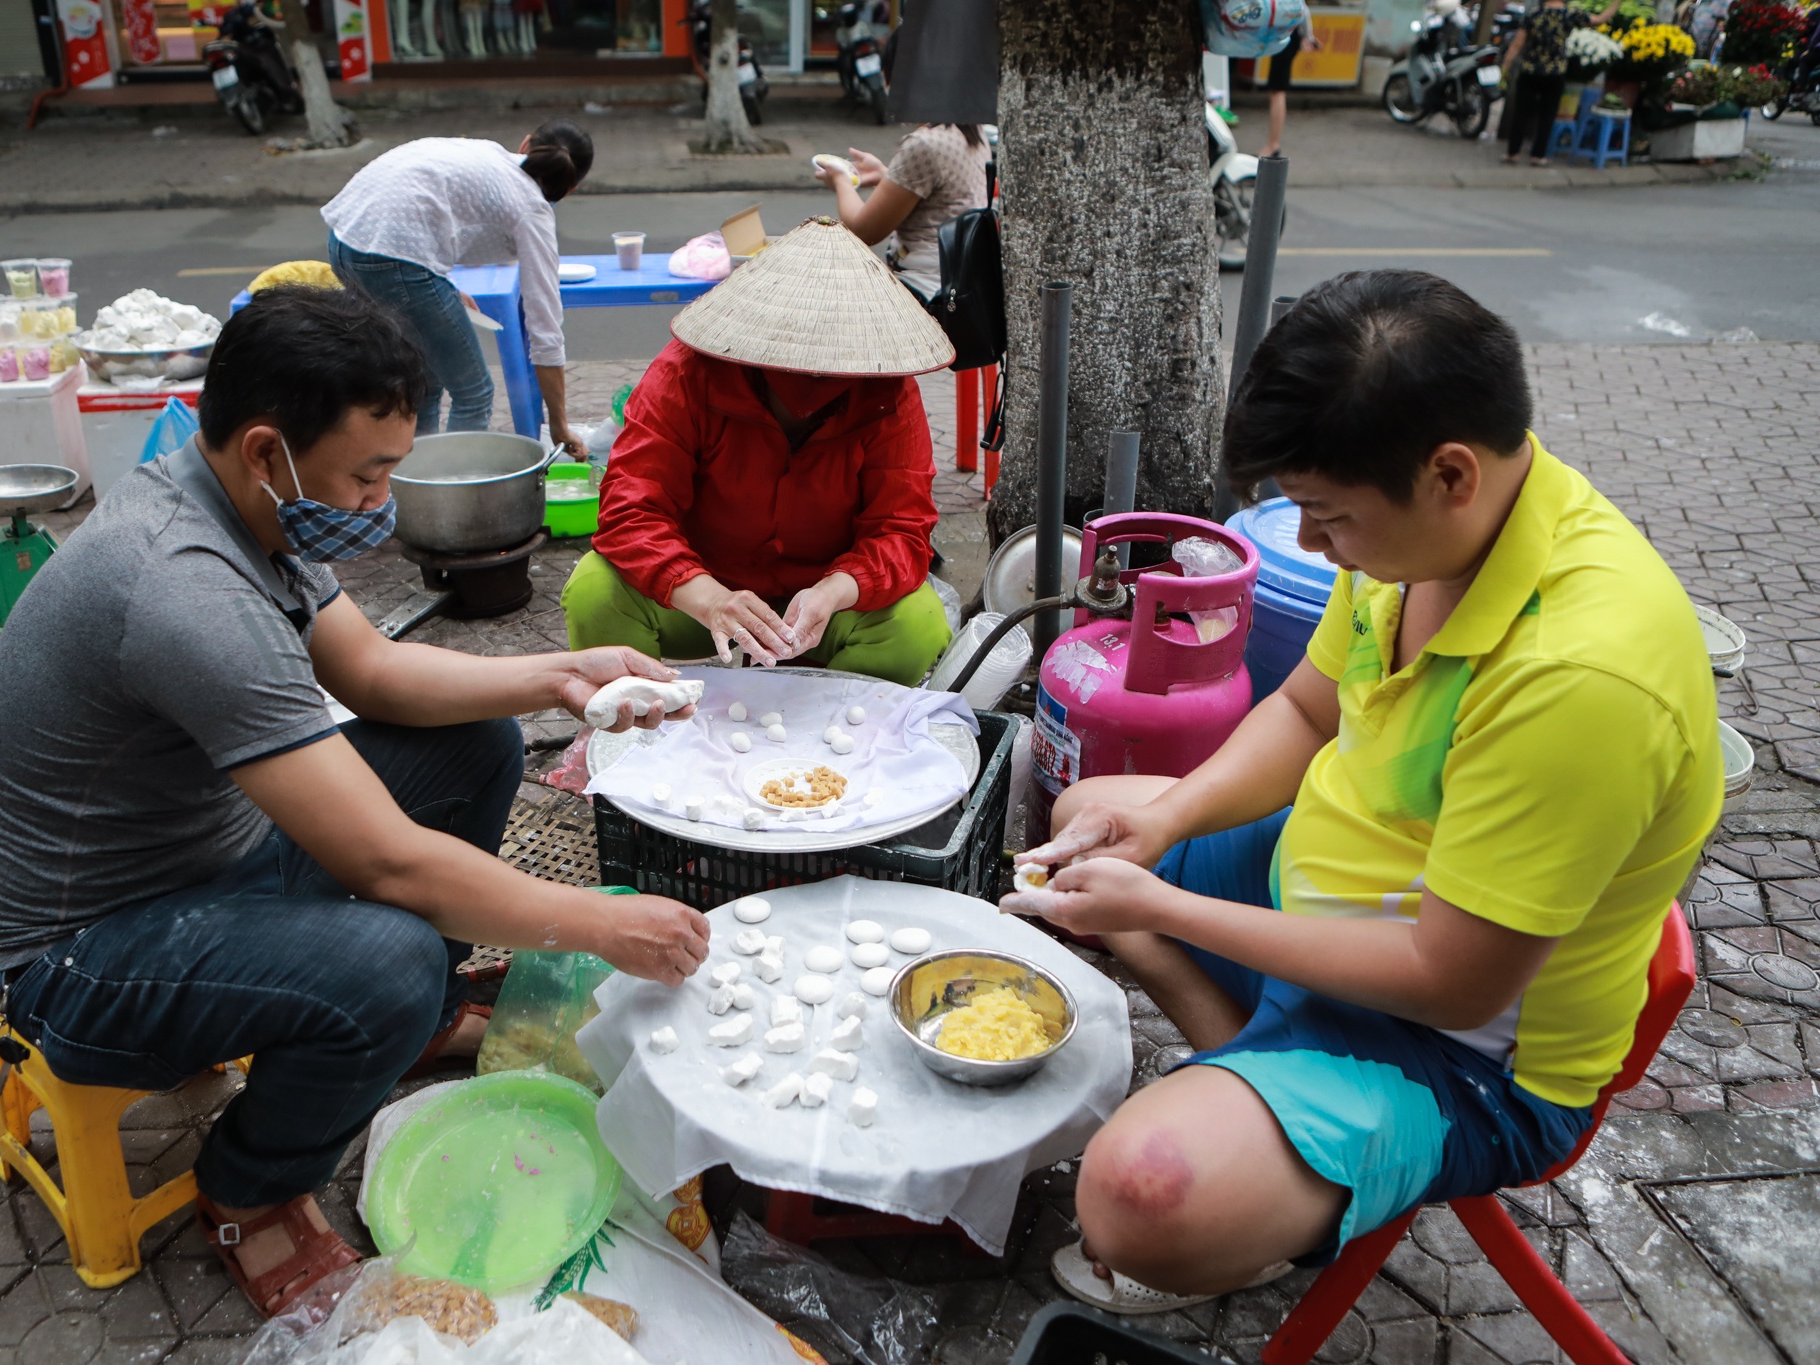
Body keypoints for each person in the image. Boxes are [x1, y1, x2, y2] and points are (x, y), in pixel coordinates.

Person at [0, 286, 709, 1320]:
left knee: (473, 741)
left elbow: (376, 676)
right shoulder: (186, 591)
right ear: (268, 449)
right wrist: (599, 920)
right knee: (392, 957)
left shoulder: (240, 502)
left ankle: (412, 1020)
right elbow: (387, 867)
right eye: (369, 473)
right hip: (76, 957)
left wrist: (560, 675)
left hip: (205, 868)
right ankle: (251, 1186)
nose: (378, 501)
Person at [1003, 270, 1720, 1315]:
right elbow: (1304, 713)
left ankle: (1256, 1194)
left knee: (1138, 1197)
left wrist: (1159, 906)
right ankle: (1251, 1067)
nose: (1310, 545)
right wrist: (1161, 821)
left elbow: (1450, 982)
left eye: (1326, 517)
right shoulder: (1428, 533)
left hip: (1459, 1047)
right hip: (1333, 882)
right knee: (1092, 821)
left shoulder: (1581, 678)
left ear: (1448, 472)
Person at [561, 218, 957, 687]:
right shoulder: (686, 375)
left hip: (824, 607)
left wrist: (834, 590)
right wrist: (709, 598)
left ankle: (819, 737)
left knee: (916, 624)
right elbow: (631, 512)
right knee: (594, 590)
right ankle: (642, 730)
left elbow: (901, 531)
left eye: (833, 369)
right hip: (699, 592)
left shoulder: (888, 394)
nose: (813, 379)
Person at [322, 122, 592, 454]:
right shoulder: (532, 212)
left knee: (427, 379)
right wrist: (559, 426)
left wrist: (440, 287)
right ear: (573, 187)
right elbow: (545, 329)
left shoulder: (486, 152)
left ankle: (415, 482)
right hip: (392, 258)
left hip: (344, 239)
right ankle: (448, 493)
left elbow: (425, 205)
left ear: (525, 144)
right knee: (474, 392)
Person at [814, 120, 990, 300]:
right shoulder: (971, 129)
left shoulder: (924, 144)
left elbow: (863, 229)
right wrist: (886, 175)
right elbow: (942, 194)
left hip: (923, 286)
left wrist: (841, 178)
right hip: (958, 279)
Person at [1501, 0, 1622, 165]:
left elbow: (1517, 44)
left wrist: (1505, 67)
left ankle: (1513, 153)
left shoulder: (1534, 14)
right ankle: (1538, 155)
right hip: (1555, 72)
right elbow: (1600, 19)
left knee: (1521, 112)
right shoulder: (1570, 14)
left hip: (1530, 70)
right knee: (1547, 115)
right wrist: (1616, 3)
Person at [1258, 9, 1320, 157]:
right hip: (1285, 33)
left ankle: (1273, 145)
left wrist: (1308, 36)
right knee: (1276, 90)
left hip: (1287, 34)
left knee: (1277, 90)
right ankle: (1272, 144)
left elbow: (1302, 8)